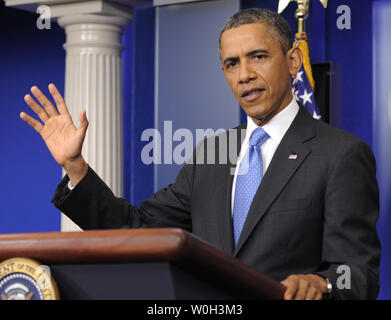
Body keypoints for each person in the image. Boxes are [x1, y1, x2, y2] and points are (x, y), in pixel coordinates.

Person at [20, 8, 381, 300]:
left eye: (258, 57)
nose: (244, 75)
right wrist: (75, 167)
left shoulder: (341, 155)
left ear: (291, 62)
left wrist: (325, 284)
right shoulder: (214, 151)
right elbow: (137, 229)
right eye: (231, 63)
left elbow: (358, 273)